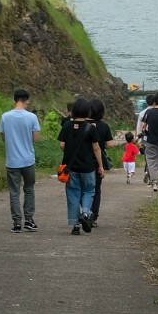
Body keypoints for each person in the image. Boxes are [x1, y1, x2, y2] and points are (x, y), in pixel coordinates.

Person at [0, 87, 41, 231]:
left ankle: (17, 223)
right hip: (28, 160)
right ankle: (29, 220)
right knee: (29, 189)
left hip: (12, 160)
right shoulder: (32, 117)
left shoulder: (5, 117)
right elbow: (36, 139)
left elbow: (4, 137)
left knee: (14, 192)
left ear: (14, 100)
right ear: (26, 101)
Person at [59, 96, 103, 234]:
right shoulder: (91, 128)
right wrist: (100, 166)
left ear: (74, 111)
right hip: (88, 167)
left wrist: (70, 153)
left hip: (71, 167)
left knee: (73, 193)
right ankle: (85, 213)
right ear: (87, 111)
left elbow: (62, 145)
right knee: (89, 191)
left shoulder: (67, 126)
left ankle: (75, 226)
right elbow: (96, 148)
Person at [89, 97, 114, 224]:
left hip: (83, 159)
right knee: (96, 189)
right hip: (97, 161)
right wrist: (101, 144)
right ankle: (94, 216)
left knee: (84, 188)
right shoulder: (104, 126)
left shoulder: (84, 125)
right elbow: (110, 144)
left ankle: (85, 212)